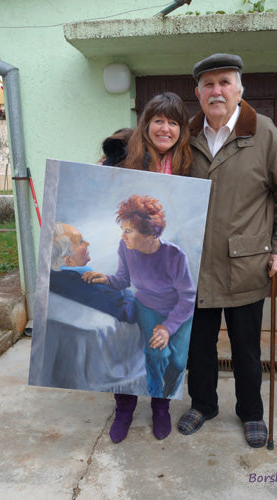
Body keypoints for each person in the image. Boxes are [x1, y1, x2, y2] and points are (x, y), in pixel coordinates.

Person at [178, 53, 277, 448]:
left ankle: (251, 412)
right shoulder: (187, 136)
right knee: (197, 348)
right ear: (198, 93)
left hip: (247, 267)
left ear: (239, 89)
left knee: (246, 351)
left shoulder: (264, 133)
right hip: (195, 268)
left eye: (224, 82)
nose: (216, 91)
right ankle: (203, 405)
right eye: (208, 84)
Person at [84, 92, 194, 443]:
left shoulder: (187, 166)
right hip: (146, 305)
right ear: (145, 125)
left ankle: (161, 406)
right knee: (140, 350)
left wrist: (169, 325)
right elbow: (124, 279)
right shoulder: (123, 162)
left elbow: (187, 297)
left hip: (175, 307)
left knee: (175, 360)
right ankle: (125, 408)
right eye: (157, 120)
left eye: (173, 122)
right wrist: (108, 278)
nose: (164, 128)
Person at [50, 222, 136, 323]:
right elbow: (128, 314)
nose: (87, 244)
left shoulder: (55, 278)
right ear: (68, 260)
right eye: (80, 242)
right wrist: (128, 293)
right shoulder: (84, 284)